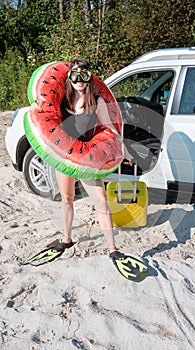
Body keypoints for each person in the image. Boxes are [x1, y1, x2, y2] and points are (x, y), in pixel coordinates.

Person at [30, 58, 132, 260]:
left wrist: (124, 148)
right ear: (69, 78)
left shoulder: (97, 101)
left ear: (89, 78)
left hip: (87, 156)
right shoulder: (62, 100)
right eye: (75, 75)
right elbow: (47, 116)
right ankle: (66, 239)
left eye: (84, 76)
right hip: (65, 155)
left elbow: (109, 127)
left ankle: (112, 248)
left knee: (101, 201)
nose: (80, 80)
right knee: (67, 198)